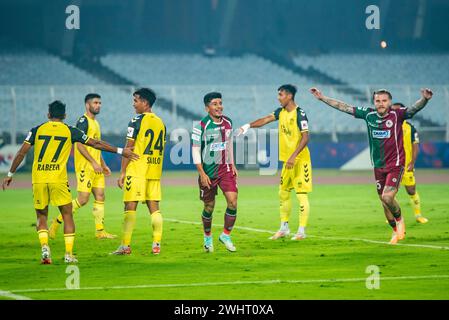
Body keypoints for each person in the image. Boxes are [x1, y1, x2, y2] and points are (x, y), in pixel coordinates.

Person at [2, 100, 137, 264]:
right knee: (67, 215)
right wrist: (121, 151)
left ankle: (45, 248)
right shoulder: (70, 131)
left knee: (41, 216)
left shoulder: (36, 130)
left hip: (38, 179)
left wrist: (10, 174)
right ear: (65, 116)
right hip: (58, 179)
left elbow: (22, 152)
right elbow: (95, 143)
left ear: (48, 115)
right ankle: (68, 254)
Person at [310, 87, 433, 244]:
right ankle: (395, 230)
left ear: (389, 102)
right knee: (384, 202)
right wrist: (322, 98)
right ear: (374, 102)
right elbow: (344, 107)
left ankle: (400, 220)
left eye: (384, 101)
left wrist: (425, 99)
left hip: (396, 164)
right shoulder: (369, 115)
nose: (381, 104)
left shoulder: (397, 115)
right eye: (377, 101)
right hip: (378, 166)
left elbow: (413, 109)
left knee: (387, 197)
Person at [238, 84, 311, 240]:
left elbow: (306, 137)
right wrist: (248, 126)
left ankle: (301, 231)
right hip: (287, 161)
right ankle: (284, 227)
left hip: (300, 160)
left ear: (289, 96)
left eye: (281, 94)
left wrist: (293, 156)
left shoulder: (300, 114)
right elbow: (265, 119)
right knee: (283, 192)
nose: (278, 97)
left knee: (301, 194)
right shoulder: (281, 112)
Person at [49, 93, 116, 239]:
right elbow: (79, 145)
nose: (98, 105)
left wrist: (102, 164)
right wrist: (93, 162)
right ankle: (56, 221)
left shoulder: (96, 123)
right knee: (83, 199)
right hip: (85, 166)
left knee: (100, 195)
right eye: (95, 103)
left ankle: (100, 231)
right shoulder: (82, 121)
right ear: (87, 105)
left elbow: (97, 146)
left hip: (96, 167)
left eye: (99, 103)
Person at [112, 88, 166, 255]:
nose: (133, 104)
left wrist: (122, 172)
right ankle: (156, 244)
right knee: (154, 208)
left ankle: (125, 246)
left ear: (145, 103)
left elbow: (129, 148)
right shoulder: (161, 122)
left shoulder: (136, 120)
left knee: (130, 206)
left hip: (137, 169)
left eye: (136, 100)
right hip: (154, 170)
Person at [192, 92, 238, 252]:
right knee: (209, 207)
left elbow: (229, 142)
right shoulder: (201, 127)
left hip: (225, 169)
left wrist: (232, 163)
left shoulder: (228, 122)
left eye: (220, 103)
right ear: (207, 108)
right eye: (215, 104)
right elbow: (195, 151)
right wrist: (202, 173)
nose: (219, 106)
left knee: (233, 201)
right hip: (208, 172)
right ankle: (207, 237)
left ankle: (226, 235)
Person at [392, 103, 428, 224]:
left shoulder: (410, 128)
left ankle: (418, 216)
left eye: (397, 110)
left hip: (406, 165)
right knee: (391, 192)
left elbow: (415, 146)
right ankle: (394, 217)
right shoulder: (387, 126)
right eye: (392, 110)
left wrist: (412, 162)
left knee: (411, 190)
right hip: (392, 165)